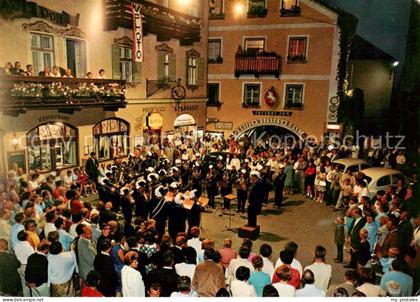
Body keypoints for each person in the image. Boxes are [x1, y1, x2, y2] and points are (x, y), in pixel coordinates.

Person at [15, 230, 34, 297]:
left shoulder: (17, 245)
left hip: (20, 266)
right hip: (27, 267)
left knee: (24, 286)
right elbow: (32, 257)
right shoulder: (28, 247)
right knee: (32, 286)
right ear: (26, 237)